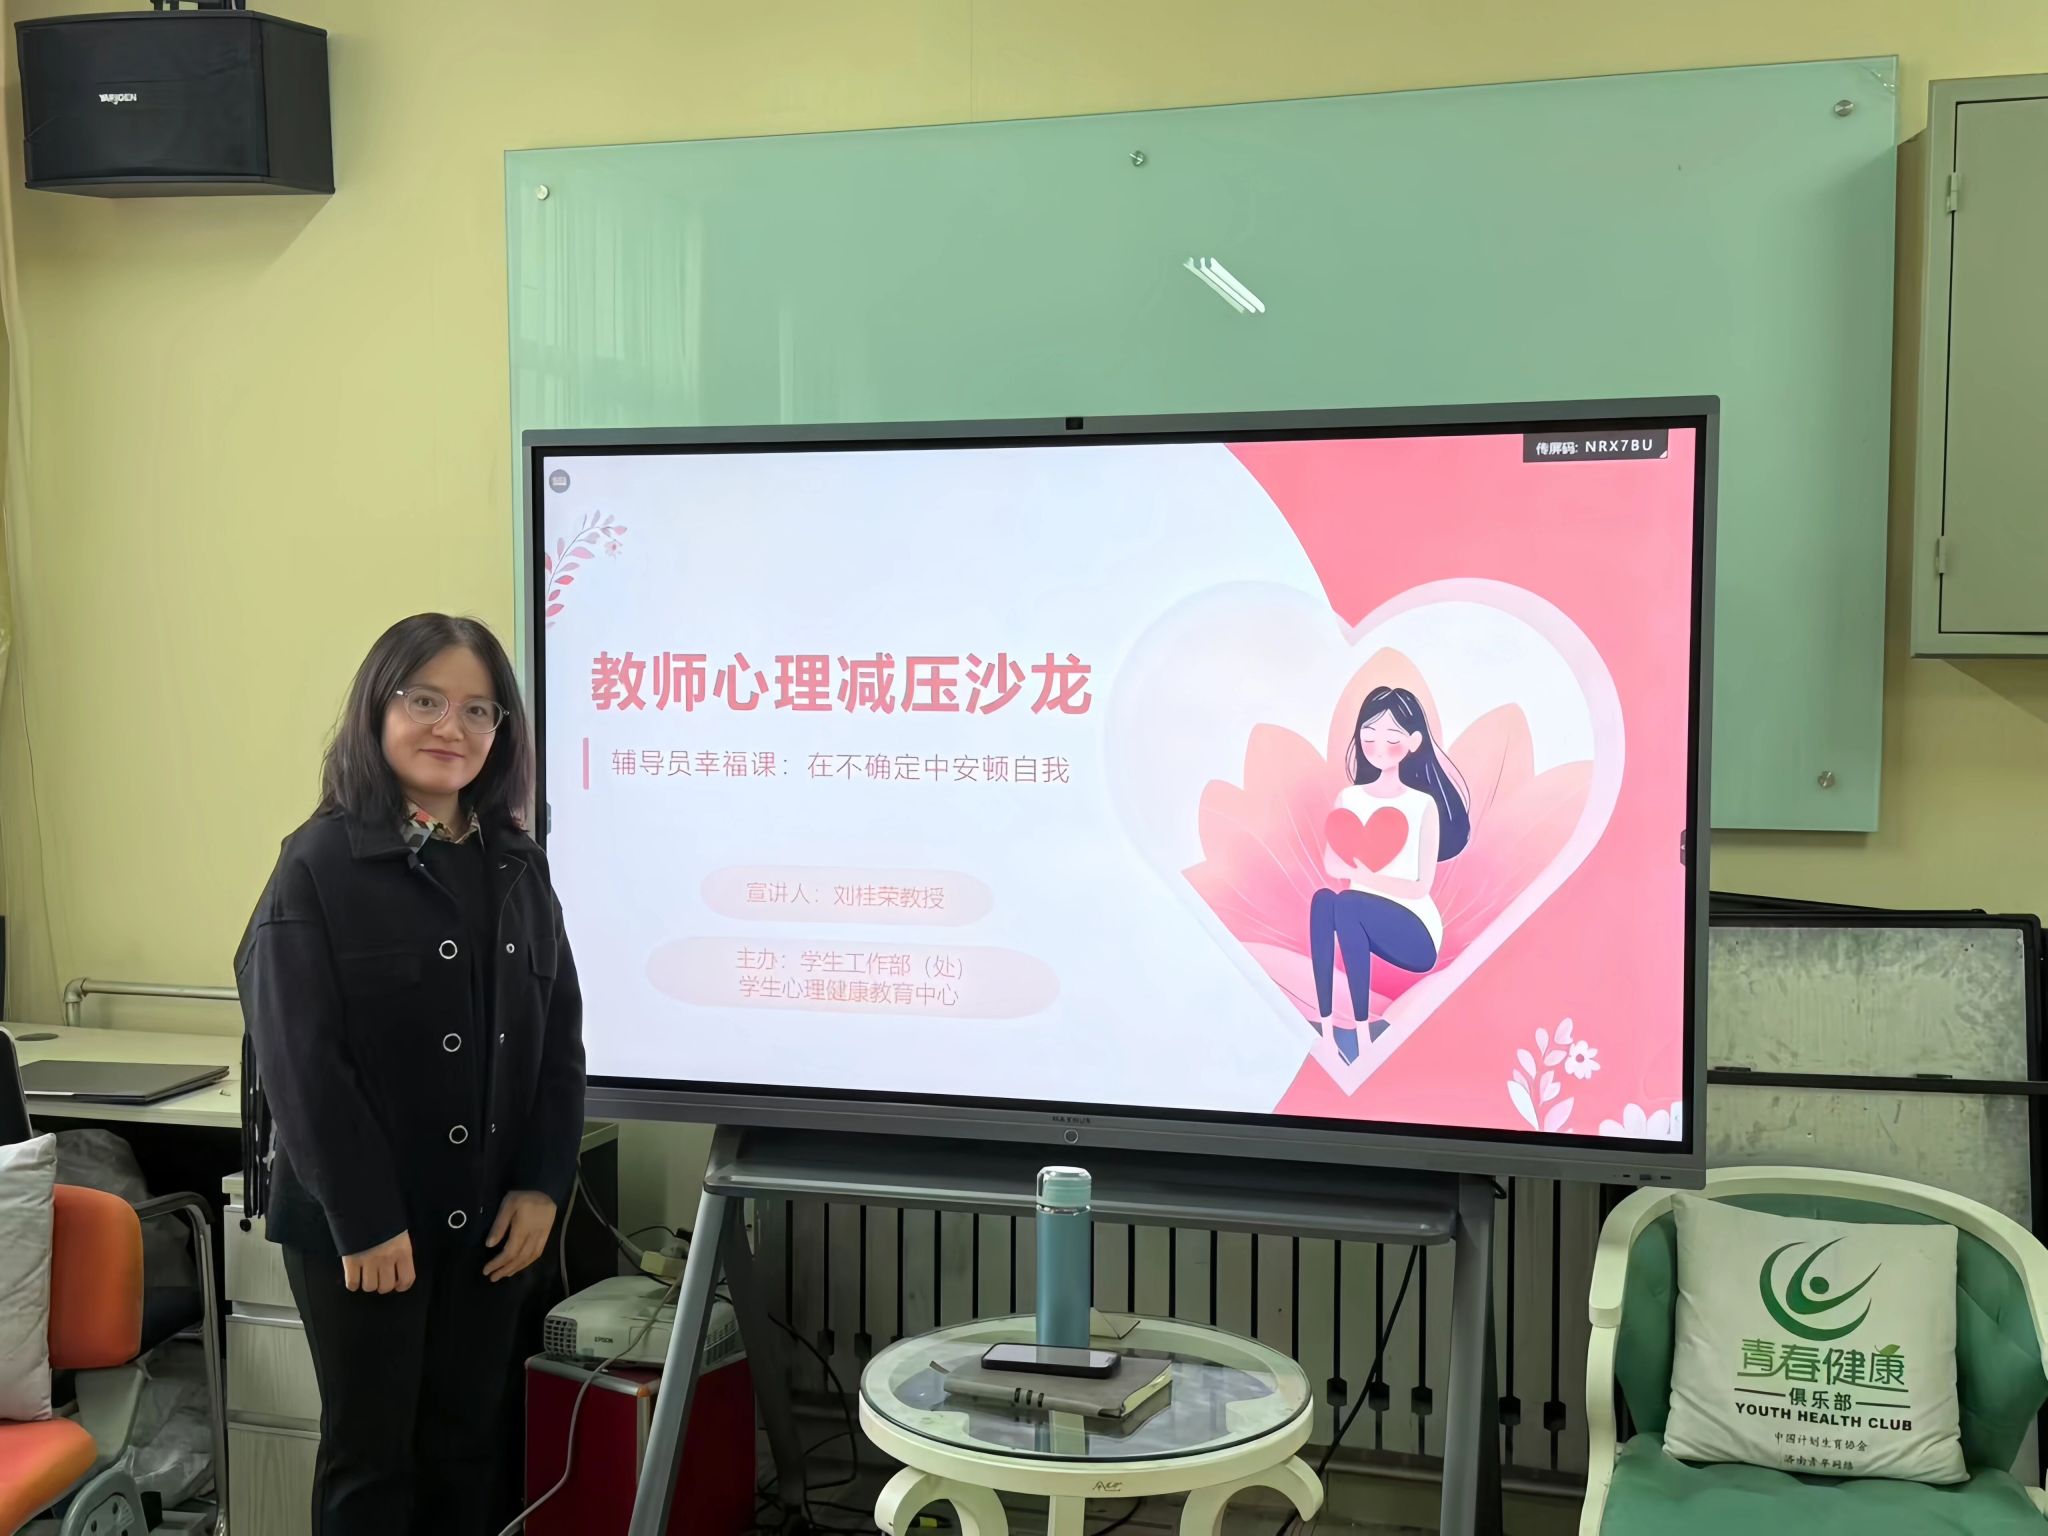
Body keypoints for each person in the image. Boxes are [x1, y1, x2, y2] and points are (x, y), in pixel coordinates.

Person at [236, 613, 586, 1536]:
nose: (450, 727)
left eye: (477, 710)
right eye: (425, 700)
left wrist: (544, 1185)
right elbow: (300, 1062)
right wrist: (365, 1217)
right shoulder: (320, 863)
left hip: (492, 1226)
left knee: (468, 1450)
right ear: (377, 710)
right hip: (365, 1233)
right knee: (373, 1460)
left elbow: (558, 1042)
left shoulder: (517, 864)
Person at [1309, 684, 1471, 1063]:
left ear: (1413, 742)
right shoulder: (1350, 798)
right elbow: (1332, 864)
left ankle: (1363, 1034)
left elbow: (1419, 888)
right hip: (1359, 915)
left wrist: (1364, 876)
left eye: (1392, 737)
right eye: (1369, 734)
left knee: (1348, 902)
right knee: (1325, 900)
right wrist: (1364, 874)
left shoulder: (1423, 805)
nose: (1378, 744)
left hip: (1415, 932)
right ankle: (1327, 1026)